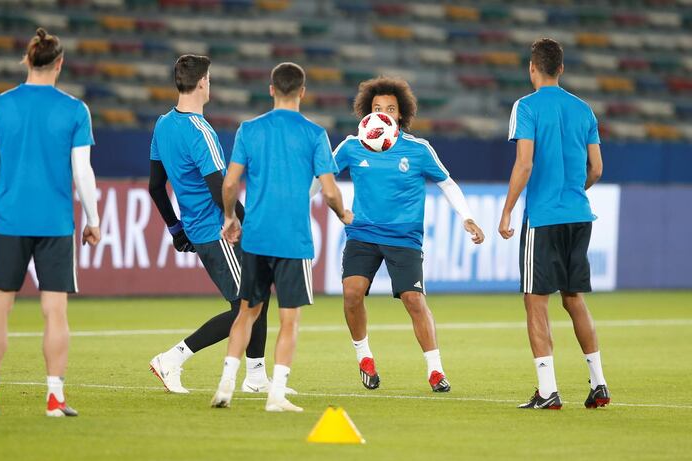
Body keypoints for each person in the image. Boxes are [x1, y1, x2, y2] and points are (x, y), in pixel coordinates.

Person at [0, 28, 100, 417]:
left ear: (27, 59)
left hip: (9, 220)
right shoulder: (75, 110)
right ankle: (55, 398)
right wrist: (93, 219)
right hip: (56, 224)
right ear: (59, 63)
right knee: (55, 313)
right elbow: (82, 172)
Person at [211, 62, 353, 412]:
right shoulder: (314, 134)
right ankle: (276, 396)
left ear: (271, 89)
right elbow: (330, 191)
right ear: (303, 92)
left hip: (256, 237)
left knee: (247, 312)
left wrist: (229, 217)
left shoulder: (249, 130)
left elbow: (229, 183)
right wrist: (343, 214)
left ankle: (226, 384)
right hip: (293, 240)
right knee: (290, 320)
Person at [329, 77, 484, 392]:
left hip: (404, 238)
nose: (382, 113)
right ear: (366, 113)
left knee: (414, 300)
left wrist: (466, 217)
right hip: (363, 233)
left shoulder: (418, 149)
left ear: (400, 114)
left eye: (389, 108)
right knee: (351, 294)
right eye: (376, 108)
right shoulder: (351, 145)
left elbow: (447, 182)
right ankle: (364, 357)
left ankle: (436, 370)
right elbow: (322, 177)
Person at [147, 54, 290, 395]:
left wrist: (175, 228)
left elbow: (155, 186)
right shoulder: (200, 130)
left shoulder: (163, 125)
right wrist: (243, 222)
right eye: (209, 79)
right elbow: (220, 189)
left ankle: (255, 377)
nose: (210, 84)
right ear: (202, 83)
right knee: (247, 305)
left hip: (198, 229)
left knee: (257, 297)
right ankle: (172, 359)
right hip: (217, 229)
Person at [499, 38, 610, 410]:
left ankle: (548, 391)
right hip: (579, 215)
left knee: (535, 301)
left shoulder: (525, 107)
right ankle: (599, 384)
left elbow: (524, 163)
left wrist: (507, 210)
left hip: (544, 218)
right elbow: (595, 169)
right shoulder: (584, 110)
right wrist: (574, 191)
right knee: (574, 298)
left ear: (532, 68)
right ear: (561, 68)